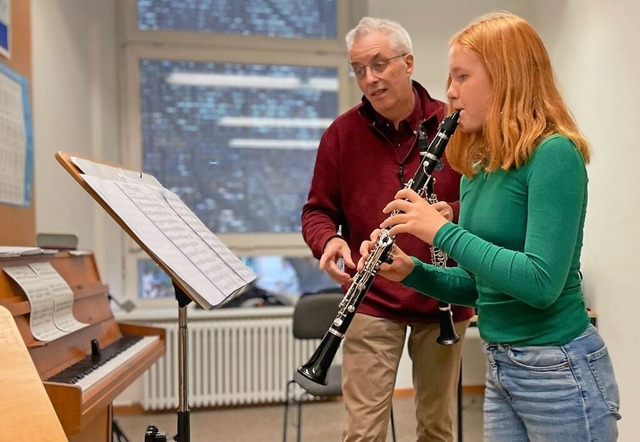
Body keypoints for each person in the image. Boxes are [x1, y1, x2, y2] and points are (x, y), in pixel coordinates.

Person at [360, 12, 621, 441]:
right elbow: (479, 287)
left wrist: (442, 232)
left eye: (462, 76)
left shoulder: (554, 154)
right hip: (502, 365)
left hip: (559, 367)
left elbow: (540, 283)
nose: (449, 91)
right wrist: (412, 270)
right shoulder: (478, 165)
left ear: (506, 79)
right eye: (450, 77)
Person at [301, 16, 475, 442]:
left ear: (409, 62)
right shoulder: (341, 136)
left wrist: (448, 213)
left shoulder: (456, 124)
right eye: (359, 69)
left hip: (442, 298)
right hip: (373, 298)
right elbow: (316, 212)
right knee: (363, 433)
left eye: (379, 64)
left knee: (437, 428)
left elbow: (485, 200)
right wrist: (330, 240)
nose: (369, 78)